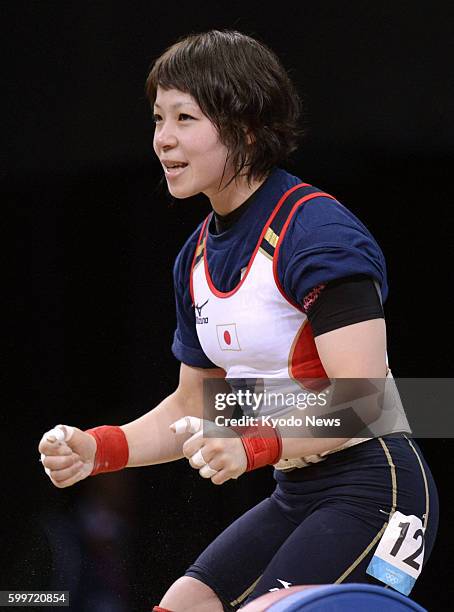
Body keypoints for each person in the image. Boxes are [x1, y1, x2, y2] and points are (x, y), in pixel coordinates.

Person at [39, 30, 439, 612]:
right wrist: (101, 449)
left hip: (379, 489)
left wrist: (254, 441)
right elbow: (192, 407)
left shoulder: (315, 233)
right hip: (295, 490)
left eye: (185, 118)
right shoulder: (194, 257)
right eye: (157, 119)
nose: (163, 139)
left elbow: (370, 400)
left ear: (245, 129)